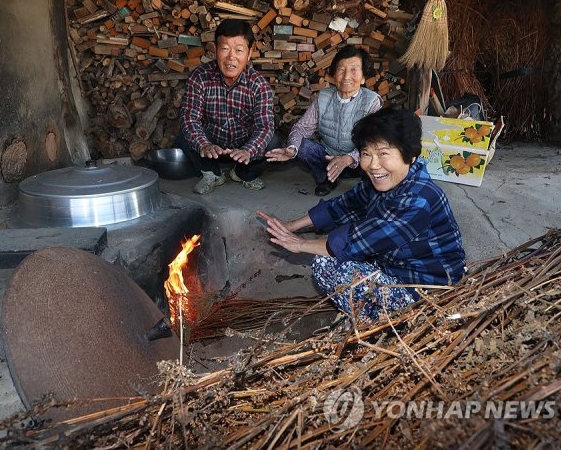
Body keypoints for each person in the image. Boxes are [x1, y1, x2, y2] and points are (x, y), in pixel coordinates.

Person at [257, 107, 466, 322]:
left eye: (384, 154)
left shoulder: (417, 199)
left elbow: (357, 241)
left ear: (410, 156)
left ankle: (390, 323)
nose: (374, 165)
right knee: (344, 232)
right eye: (366, 154)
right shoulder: (384, 180)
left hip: (425, 290)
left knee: (327, 264)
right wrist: (292, 225)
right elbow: (346, 204)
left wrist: (299, 244)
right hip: (395, 265)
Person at [265, 45, 383, 196]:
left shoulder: (372, 101)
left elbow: (375, 141)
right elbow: (301, 128)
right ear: (334, 75)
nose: (346, 76)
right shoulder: (324, 97)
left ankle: (368, 185)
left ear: (363, 78)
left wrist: (349, 158)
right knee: (303, 146)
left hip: (359, 162)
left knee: (378, 150)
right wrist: (292, 148)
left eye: (354, 70)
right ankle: (326, 180)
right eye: (341, 69)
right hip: (328, 158)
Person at [178, 19, 277, 194]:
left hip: (243, 146)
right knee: (184, 134)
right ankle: (212, 173)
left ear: (249, 52)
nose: (231, 57)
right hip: (212, 144)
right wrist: (203, 144)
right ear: (215, 49)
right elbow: (190, 117)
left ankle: (242, 173)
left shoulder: (259, 85)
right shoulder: (200, 77)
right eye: (225, 49)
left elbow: (265, 126)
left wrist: (248, 150)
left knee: (273, 142)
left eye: (239, 50)